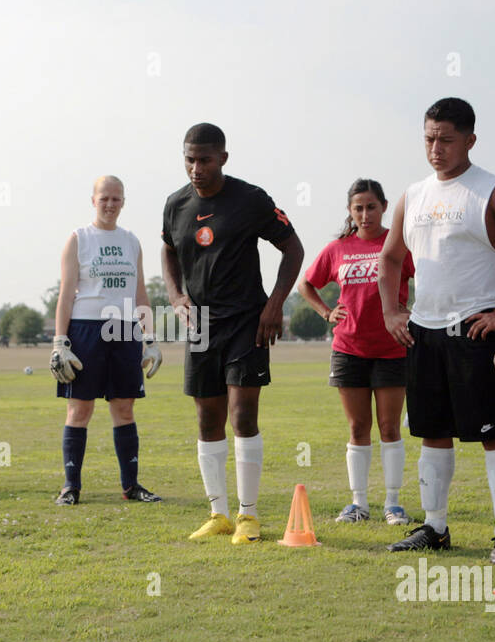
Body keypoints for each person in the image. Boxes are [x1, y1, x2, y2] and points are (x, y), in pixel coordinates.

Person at [377, 98, 495, 565]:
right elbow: (390, 259)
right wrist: (392, 312)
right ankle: (435, 526)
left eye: (445, 139)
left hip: (478, 331)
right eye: (428, 139)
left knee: (493, 434)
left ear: (470, 140)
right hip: (424, 330)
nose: (435, 148)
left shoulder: (493, 191)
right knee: (431, 433)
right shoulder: (413, 194)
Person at [162, 123, 304, 544]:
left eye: (204, 159)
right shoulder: (175, 204)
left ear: (223, 157)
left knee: (242, 415)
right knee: (207, 417)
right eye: (189, 159)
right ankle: (218, 514)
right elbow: (168, 248)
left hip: (246, 319)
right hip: (201, 324)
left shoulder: (250, 199)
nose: (195, 168)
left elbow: (293, 248)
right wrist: (174, 296)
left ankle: (248, 517)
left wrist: (274, 304)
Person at [297, 178, 414, 525]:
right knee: (358, 427)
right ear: (350, 211)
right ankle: (358, 504)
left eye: (372, 207)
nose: (365, 214)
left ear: (384, 207)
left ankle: (393, 504)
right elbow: (306, 283)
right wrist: (326, 312)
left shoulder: (399, 244)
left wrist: (414, 315)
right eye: (358, 208)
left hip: (392, 348)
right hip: (349, 349)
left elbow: (429, 276)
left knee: (390, 427)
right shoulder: (338, 249)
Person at [49, 175, 163, 504]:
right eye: (104, 198)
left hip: (125, 329)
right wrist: (60, 342)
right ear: (93, 200)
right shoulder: (79, 239)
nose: (110, 204)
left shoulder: (131, 241)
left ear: (123, 201)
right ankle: (71, 487)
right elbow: (66, 294)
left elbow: (140, 292)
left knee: (124, 409)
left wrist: (150, 339)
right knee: (79, 410)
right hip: (85, 329)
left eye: (116, 198)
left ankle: (131, 486)